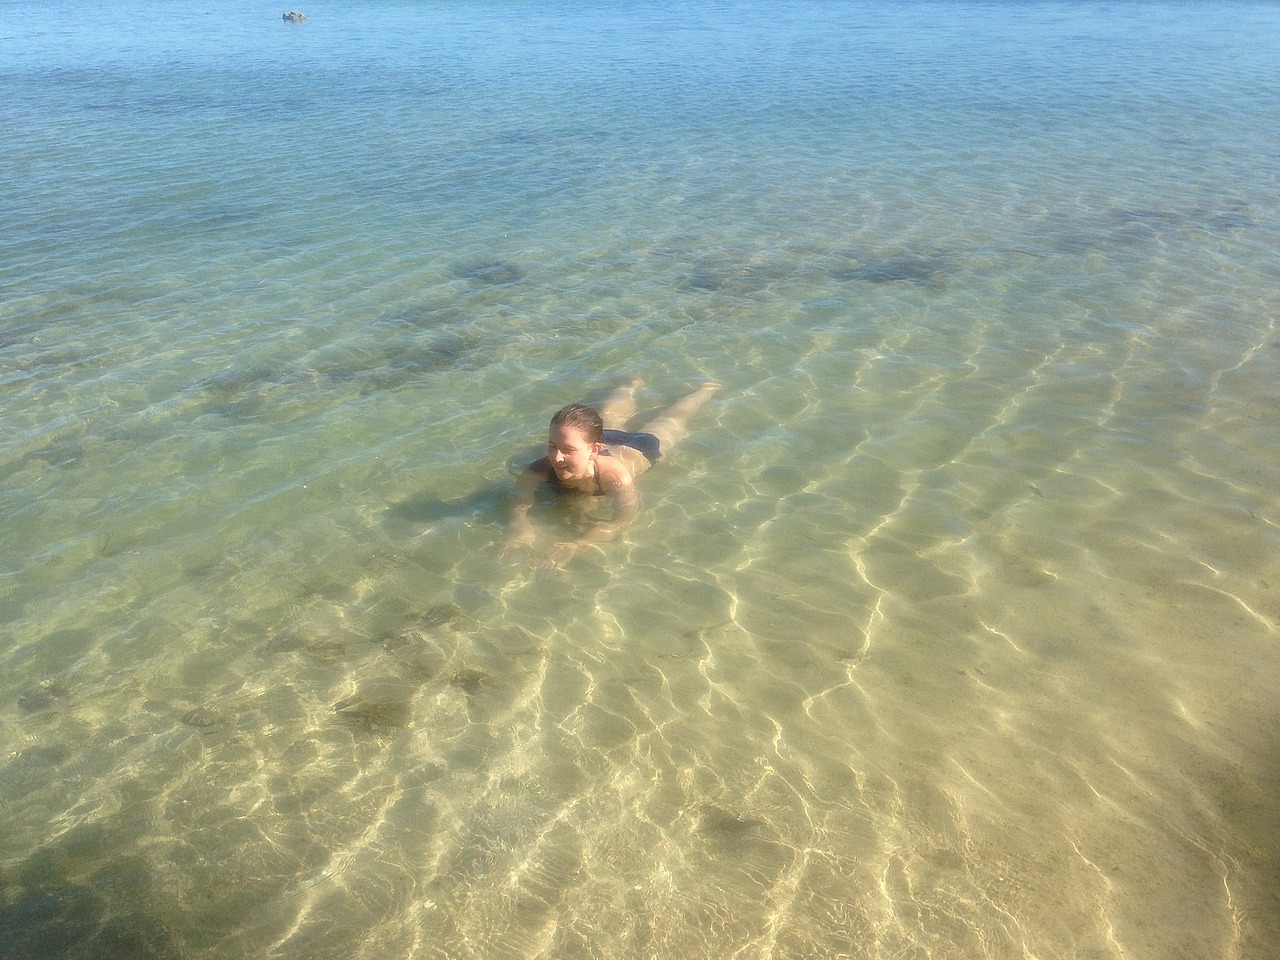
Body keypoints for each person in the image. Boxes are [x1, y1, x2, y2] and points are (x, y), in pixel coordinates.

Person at [504, 380, 720, 567]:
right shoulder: (540, 469)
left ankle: (706, 390)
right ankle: (631, 384)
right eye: (552, 446)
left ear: (594, 450)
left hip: (639, 448)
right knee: (610, 417)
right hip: (602, 441)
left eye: (567, 450)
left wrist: (578, 543)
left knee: (671, 419)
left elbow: (621, 522)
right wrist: (521, 532)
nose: (556, 457)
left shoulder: (617, 478)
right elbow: (520, 504)